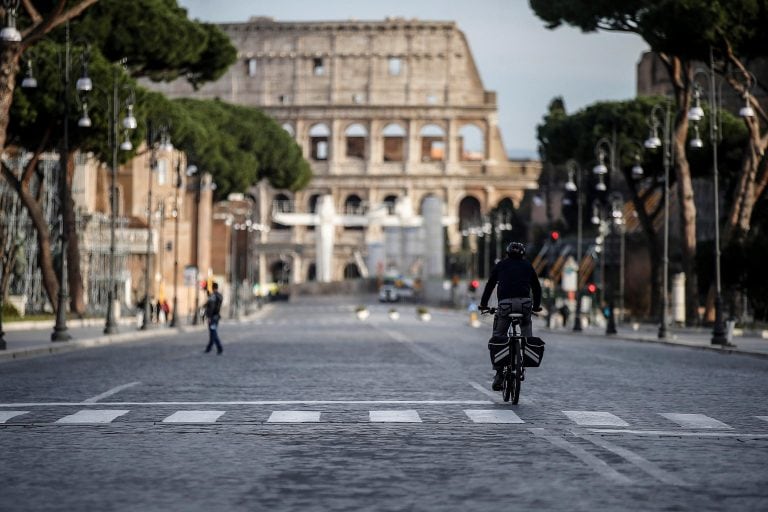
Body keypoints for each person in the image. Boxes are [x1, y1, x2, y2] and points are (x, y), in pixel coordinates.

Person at [479, 241, 542, 391]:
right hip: (525, 304)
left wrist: (483, 304)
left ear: (507, 253)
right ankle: (526, 353)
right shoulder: (527, 265)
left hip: (505, 305)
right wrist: (536, 305)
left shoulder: (501, 265)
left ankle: (499, 373)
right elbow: (536, 287)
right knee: (526, 327)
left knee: (499, 335)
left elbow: (490, 284)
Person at [204, 282, 224, 354]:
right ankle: (209, 348)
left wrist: (209, 316)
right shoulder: (219, 296)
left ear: (212, 288)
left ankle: (219, 347)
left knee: (213, 332)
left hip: (212, 317)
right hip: (217, 316)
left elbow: (211, 306)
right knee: (212, 332)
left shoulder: (213, 296)